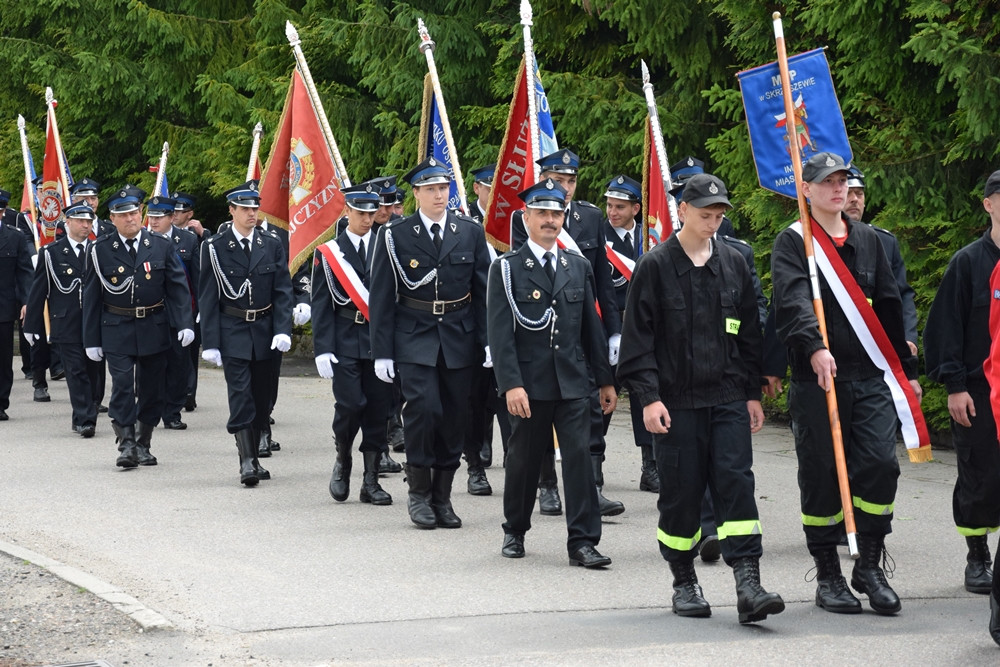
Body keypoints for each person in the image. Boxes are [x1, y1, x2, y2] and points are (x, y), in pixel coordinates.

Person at [618, 173, 784, 623]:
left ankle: (748, 581)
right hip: (676, 402)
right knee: (681, 494)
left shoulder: (734, 262)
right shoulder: (655, 265)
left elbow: (749, 333)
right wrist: (649, 398)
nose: (713, 223)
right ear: (684, 211)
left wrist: (752, 393)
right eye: (705, 215)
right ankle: (684, 580)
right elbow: (638, 341)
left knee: (736, 485)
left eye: (718, 216)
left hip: (728, 397)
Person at [771, 152, 918, 615]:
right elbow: (793, 300)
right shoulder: (794, 243)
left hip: (869, 375)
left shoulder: (872, 241)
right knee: (821, 475)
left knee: (880, 466)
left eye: (842, 181)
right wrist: (814, 346)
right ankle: (829, 574)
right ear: (807, 190)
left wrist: (908, 375)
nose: (838, 189)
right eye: (826, 182)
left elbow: (891, 307)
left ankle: (869, 564)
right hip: (819, 380)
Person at [488, 177, 617, 566]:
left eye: (556, 213)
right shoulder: (507, 269)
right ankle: (515, 530)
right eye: (541, 213)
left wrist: (606, 380)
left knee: (579, 461)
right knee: (524, 460)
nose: (549, 220)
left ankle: (582, 542)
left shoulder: (577, 266)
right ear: (526, 218)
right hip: (530, 385)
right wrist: (511, 384)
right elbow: (501, 334)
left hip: (574, 381)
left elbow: (589, 330)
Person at [369, 157, 491, 529]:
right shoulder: (396, 235)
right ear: (417, 193)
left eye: (444, 188)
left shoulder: (469, 231)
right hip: (414, 336)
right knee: (424, 410)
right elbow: (381, 295)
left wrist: (489, 342)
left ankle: (442, 496)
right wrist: (382, 352)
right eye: (432, 189)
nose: (440, 195)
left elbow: (483, 290)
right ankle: (419, 494)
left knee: (455, 417)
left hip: (458, 337)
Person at [511, 148, 623, 518]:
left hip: (580, 331)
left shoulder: (591, 218)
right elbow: (522, 279)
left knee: (589, 413)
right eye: (559, 180)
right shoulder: (522, 218)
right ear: (544, 179)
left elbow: (601, 279)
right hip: (540, 334)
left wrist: (612, 331)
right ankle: (546, 487)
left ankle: (593, 485)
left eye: (571, 181)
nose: (567, 187)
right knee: (540, 418)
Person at [82, 185, 195, 468]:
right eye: (123, 215)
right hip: (116, 325)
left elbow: (177, 288)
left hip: (153, 325)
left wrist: (184, 322)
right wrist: (91, 339)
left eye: (134, 213)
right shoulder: (100, 250)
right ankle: (126, 443)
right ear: (113, 218)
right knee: (121, 386)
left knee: (151, 388)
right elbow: (92, 296)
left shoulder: (160, 245)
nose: (130, 219)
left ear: (141, 213)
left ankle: (144, 441)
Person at [925, 168, 1000, 596]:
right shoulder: (968, 263)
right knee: (981, 475)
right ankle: (977, 556)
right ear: (988, 204)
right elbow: (945, 330)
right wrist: (954, 387)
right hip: (978, 392)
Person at [199, 180, 294, 486]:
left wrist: (283, 329)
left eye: (255, 208)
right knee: (241, 395)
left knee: (262, 397)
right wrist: (210, 341)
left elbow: (282, 290)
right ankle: (247, 461)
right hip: (233, 330)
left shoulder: (271, 244)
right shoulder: (214, 248)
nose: (252, 213)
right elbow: (209, 296)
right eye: (245, 209)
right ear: (232, 211)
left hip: (265, 330)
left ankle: (253, 450)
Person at [311, 184, 392, 506]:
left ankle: (370, 481)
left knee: (377, 410)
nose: (367, 219)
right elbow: (322, 304)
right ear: (347, 212)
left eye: (372, 213)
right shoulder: (329, 253)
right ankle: (343, 457)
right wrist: (323, 348)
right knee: (350, 405)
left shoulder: (387, 246)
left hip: (378, 344)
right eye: (361, 213)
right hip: (344, 340)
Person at [601, 174, 657, 493]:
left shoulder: (649, 238)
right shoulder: (599, 237)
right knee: (604, 397)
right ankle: (593, 464)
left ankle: (650, 467)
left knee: (644, 395)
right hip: (611, 330)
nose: (612, 212)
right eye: (609, 205)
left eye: (620, 207)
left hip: (642, 331)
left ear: (636, 208)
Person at [24, 203, 101, 437]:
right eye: (80, 221)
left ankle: (86, 412)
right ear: (68, 222)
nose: (86, 226)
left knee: (94, 373)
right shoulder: (51, 253)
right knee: (76, 371)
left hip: (96, 323)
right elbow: (39, 291)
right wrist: (31, 325)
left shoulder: (100, 250)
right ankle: (85, 418)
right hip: (66, 323)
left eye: (89, 222)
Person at [146, 196, 200, 431]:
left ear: (171, 218)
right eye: (151, 217)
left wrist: (198, 311)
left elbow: (197, 278)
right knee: (153, 364)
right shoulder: (143, 241)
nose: (154, 221)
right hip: (152, 313)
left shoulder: (188, 240)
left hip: (180, 312)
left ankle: (173, 411)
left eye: (159, 217)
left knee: (179, 363)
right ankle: (152, 408)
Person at [71, 178, 112, 414]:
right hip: (76, 302)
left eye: (94, 198)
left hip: (104, 298)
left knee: (100, 352)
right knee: (80, 353)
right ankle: (86, 400)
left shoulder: (107, 228)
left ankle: (97, 397)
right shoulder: (65, 229)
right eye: (84, 199)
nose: (91, 203)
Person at [0, 189, 35, 421]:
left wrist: (26, 301)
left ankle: (0, 402)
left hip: (3, 307)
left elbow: (25, 273)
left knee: (3, 359)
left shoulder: (15, 237)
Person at [170, 190, 205, 413]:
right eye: (170, 211)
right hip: (166, 306)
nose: (173, 215)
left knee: (189, 352)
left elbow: (203, 272)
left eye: (178, 211)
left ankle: (188, 393)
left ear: (189, 214)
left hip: (190, 305)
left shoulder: (196, 238)